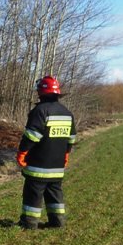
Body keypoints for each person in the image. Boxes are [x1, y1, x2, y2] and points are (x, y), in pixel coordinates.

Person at [16, 75, 76, 230]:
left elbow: (32, 136)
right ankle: (57, 222)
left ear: (41, 92)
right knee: (55, 193)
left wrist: (22, 152)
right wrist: (66, 154)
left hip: (38, 164)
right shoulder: (67, 113)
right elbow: (71, 138)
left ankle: (29, 223)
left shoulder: (40, 111)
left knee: (33, 193)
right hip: (57, 166)